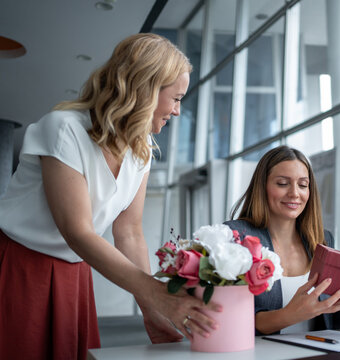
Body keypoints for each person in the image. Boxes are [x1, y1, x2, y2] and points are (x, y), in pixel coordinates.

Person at [0, 33, 221, 359]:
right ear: (145, 89)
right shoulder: (64, 129)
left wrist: (152, 310)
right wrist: (157, 293)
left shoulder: (141, 153)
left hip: (75, 274)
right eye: (175, 98)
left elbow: (129, 233)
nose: (177, 111)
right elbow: (77, 231)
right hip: (19, 268)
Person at [225, 145, 340, 335]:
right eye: (282, 183)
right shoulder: (236, 237)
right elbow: (230, 319)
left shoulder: (322, 240)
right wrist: (291, 314)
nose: (295, 193)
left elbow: (332, 323)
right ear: (262, 187)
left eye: (303, 185)